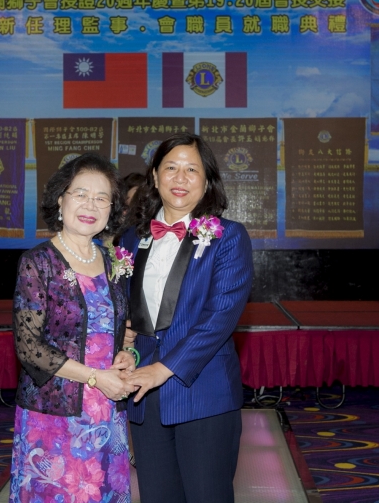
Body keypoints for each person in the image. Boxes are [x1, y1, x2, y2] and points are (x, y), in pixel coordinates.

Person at [123, 133, 254, 503]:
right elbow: (125, 309)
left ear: (207, 180)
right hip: (143, 394)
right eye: (171, 168)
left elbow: (219, 318)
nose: (180, 178)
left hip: (204, 393)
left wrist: (163, 369)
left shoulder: (228, 237)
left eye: (192, 170)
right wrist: (123, 341)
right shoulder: (131, 240)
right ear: (154, 176)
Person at [10, 153, 136, 502]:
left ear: (112, 209)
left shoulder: (112, 260)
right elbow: (29, 348)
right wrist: (95, 377)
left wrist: (128, 354)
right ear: (60, 200)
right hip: (55, 412)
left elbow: (114, 330)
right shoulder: (38, 262)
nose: (90, 205)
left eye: (101, 198)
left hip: (107, 407)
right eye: (80, 194)